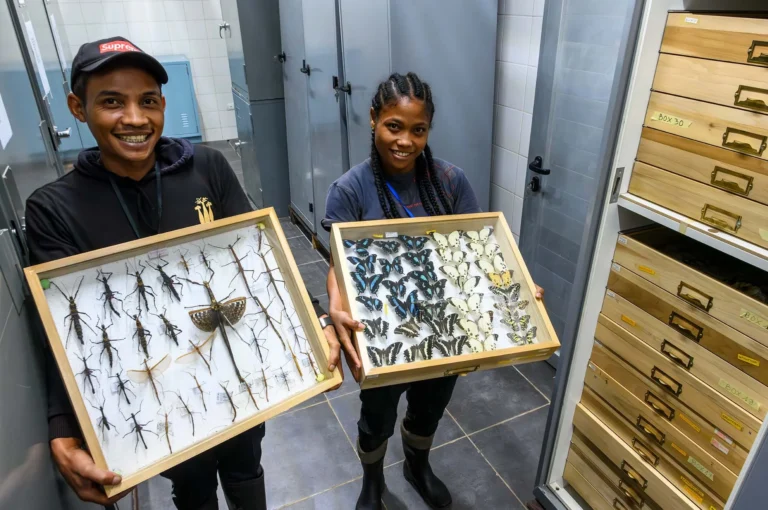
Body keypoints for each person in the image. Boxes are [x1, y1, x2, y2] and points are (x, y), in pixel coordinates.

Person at [25, 37, 341, 510]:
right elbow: (63, 334)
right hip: (159, 396)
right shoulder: (53, 209)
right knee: (190, 484)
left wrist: (316, 322)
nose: (135, 118)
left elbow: (261, 258)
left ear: (163, 105)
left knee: (245, 463)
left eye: (147, 101)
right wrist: (62, 426)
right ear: (77, 107)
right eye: (112, 101)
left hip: (232, 365)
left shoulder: (207, 168)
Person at [323, 72, 544, 510]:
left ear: (428, 130)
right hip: (383, 330)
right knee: (377, 415)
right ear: (373, 120)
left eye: (417, 130)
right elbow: (339, 263)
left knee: (430, 405)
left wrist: (513, 281)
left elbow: (478, 247)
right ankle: (372, 479)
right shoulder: (349, 189)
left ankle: (416, 465)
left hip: (446, 328)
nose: (405, 141)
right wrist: (335, 304)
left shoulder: (450, 181)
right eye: (394, 126)